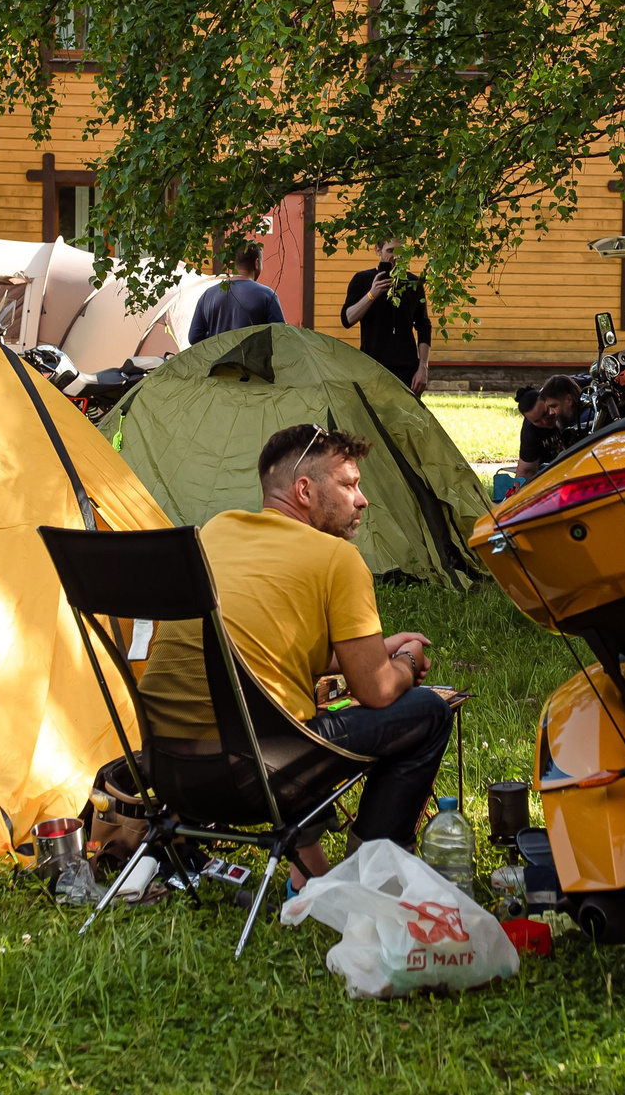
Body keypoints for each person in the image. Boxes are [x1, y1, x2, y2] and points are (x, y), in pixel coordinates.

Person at [136, 425, 451, 884]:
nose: (362, 499)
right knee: (427, 712)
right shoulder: (337, 559)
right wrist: (403, 663)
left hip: (167, 773)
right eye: (348, 485)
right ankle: (370, 874)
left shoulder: (218, 530)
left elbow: (262, 647)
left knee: (282, 711)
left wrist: (372, 650)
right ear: (305, 490)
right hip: (258, 778)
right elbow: (378, 692)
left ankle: (311, 875)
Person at [342, 239, 433, 394]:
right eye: (391, 251)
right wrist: (372, 294)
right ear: (378, 250)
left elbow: (424, 326)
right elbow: (347, 319)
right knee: (372, 418)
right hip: (371, 367)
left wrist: (423, 368)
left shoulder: (413, 283)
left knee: (405, 418)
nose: (396, 256)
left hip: (406, 370)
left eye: (401, 252)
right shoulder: (362, 279)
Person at [189, 240, 286, 341]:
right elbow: (280, 336)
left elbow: (194, 338)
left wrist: (218, 339)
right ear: (257, 263)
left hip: (219, 356)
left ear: (235, 263)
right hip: (253, 357)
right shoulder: (267, 295)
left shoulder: (208, 295)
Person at [510, 375, 582, 478]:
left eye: (545, 413)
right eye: (537, 421)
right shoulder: (530, 431)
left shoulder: (564, 403)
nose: (545, 421)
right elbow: (526, 470)